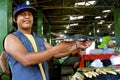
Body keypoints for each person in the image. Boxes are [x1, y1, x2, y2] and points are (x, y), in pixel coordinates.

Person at [3, 4, 92, 80]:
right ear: (15, 19)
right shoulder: (11, 38)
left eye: (30, 14)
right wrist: (57, 48)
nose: (27, 17)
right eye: (22, 14)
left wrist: (76, 46)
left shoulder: (38, 39)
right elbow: (25, 59)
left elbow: (56, 54)